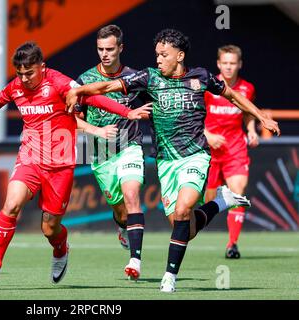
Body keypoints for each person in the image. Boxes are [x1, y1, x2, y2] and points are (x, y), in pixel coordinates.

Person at [66, 28, 280, 293]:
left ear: (179, 56)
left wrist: (261, 118)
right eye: (156, 54)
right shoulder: (149, 77)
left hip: (195, 156)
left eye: (163, 55)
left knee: (182, 210)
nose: (158, 60)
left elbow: (234, 96)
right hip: (166, 162)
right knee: (186, 229)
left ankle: (170, 276)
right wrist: (80, 91)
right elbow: (108, 85)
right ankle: (221, 202)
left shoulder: (201, 77)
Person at [0, 41, 150, 285]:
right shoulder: (16, 87)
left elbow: (91, 99)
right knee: (11, 204)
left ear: (42, 67)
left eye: (29, 73)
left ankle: (60, 249)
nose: (24, 79)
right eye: (20, 74)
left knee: (50, 228)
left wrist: (126, 112)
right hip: (30, 158)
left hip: (60, 165)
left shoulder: (59, 83)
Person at [75, 25, 156, 280]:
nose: (104, 54)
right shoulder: (84, 81)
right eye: (100, 49)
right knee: (121, 210)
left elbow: (156, 103)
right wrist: (96, 131)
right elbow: (72, 120)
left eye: (110, 49)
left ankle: (135, 259)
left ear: (121, 48)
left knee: (132, 195)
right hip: (101, 154)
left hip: (130, 146)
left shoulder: (135, 78)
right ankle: (122, 228)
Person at [204, 45, 258, 259]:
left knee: (238, 192)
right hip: (209, 150)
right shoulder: (208, 86)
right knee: (205, 201)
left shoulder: (247, 88)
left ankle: (232, 244)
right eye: (225, 63)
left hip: (235, 148)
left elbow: (247, 111)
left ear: (239, 64)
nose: (228, 67)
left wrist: (252, 129)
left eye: (232, 63)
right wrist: (207, 135)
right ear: (218, 64)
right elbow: (194, 116)